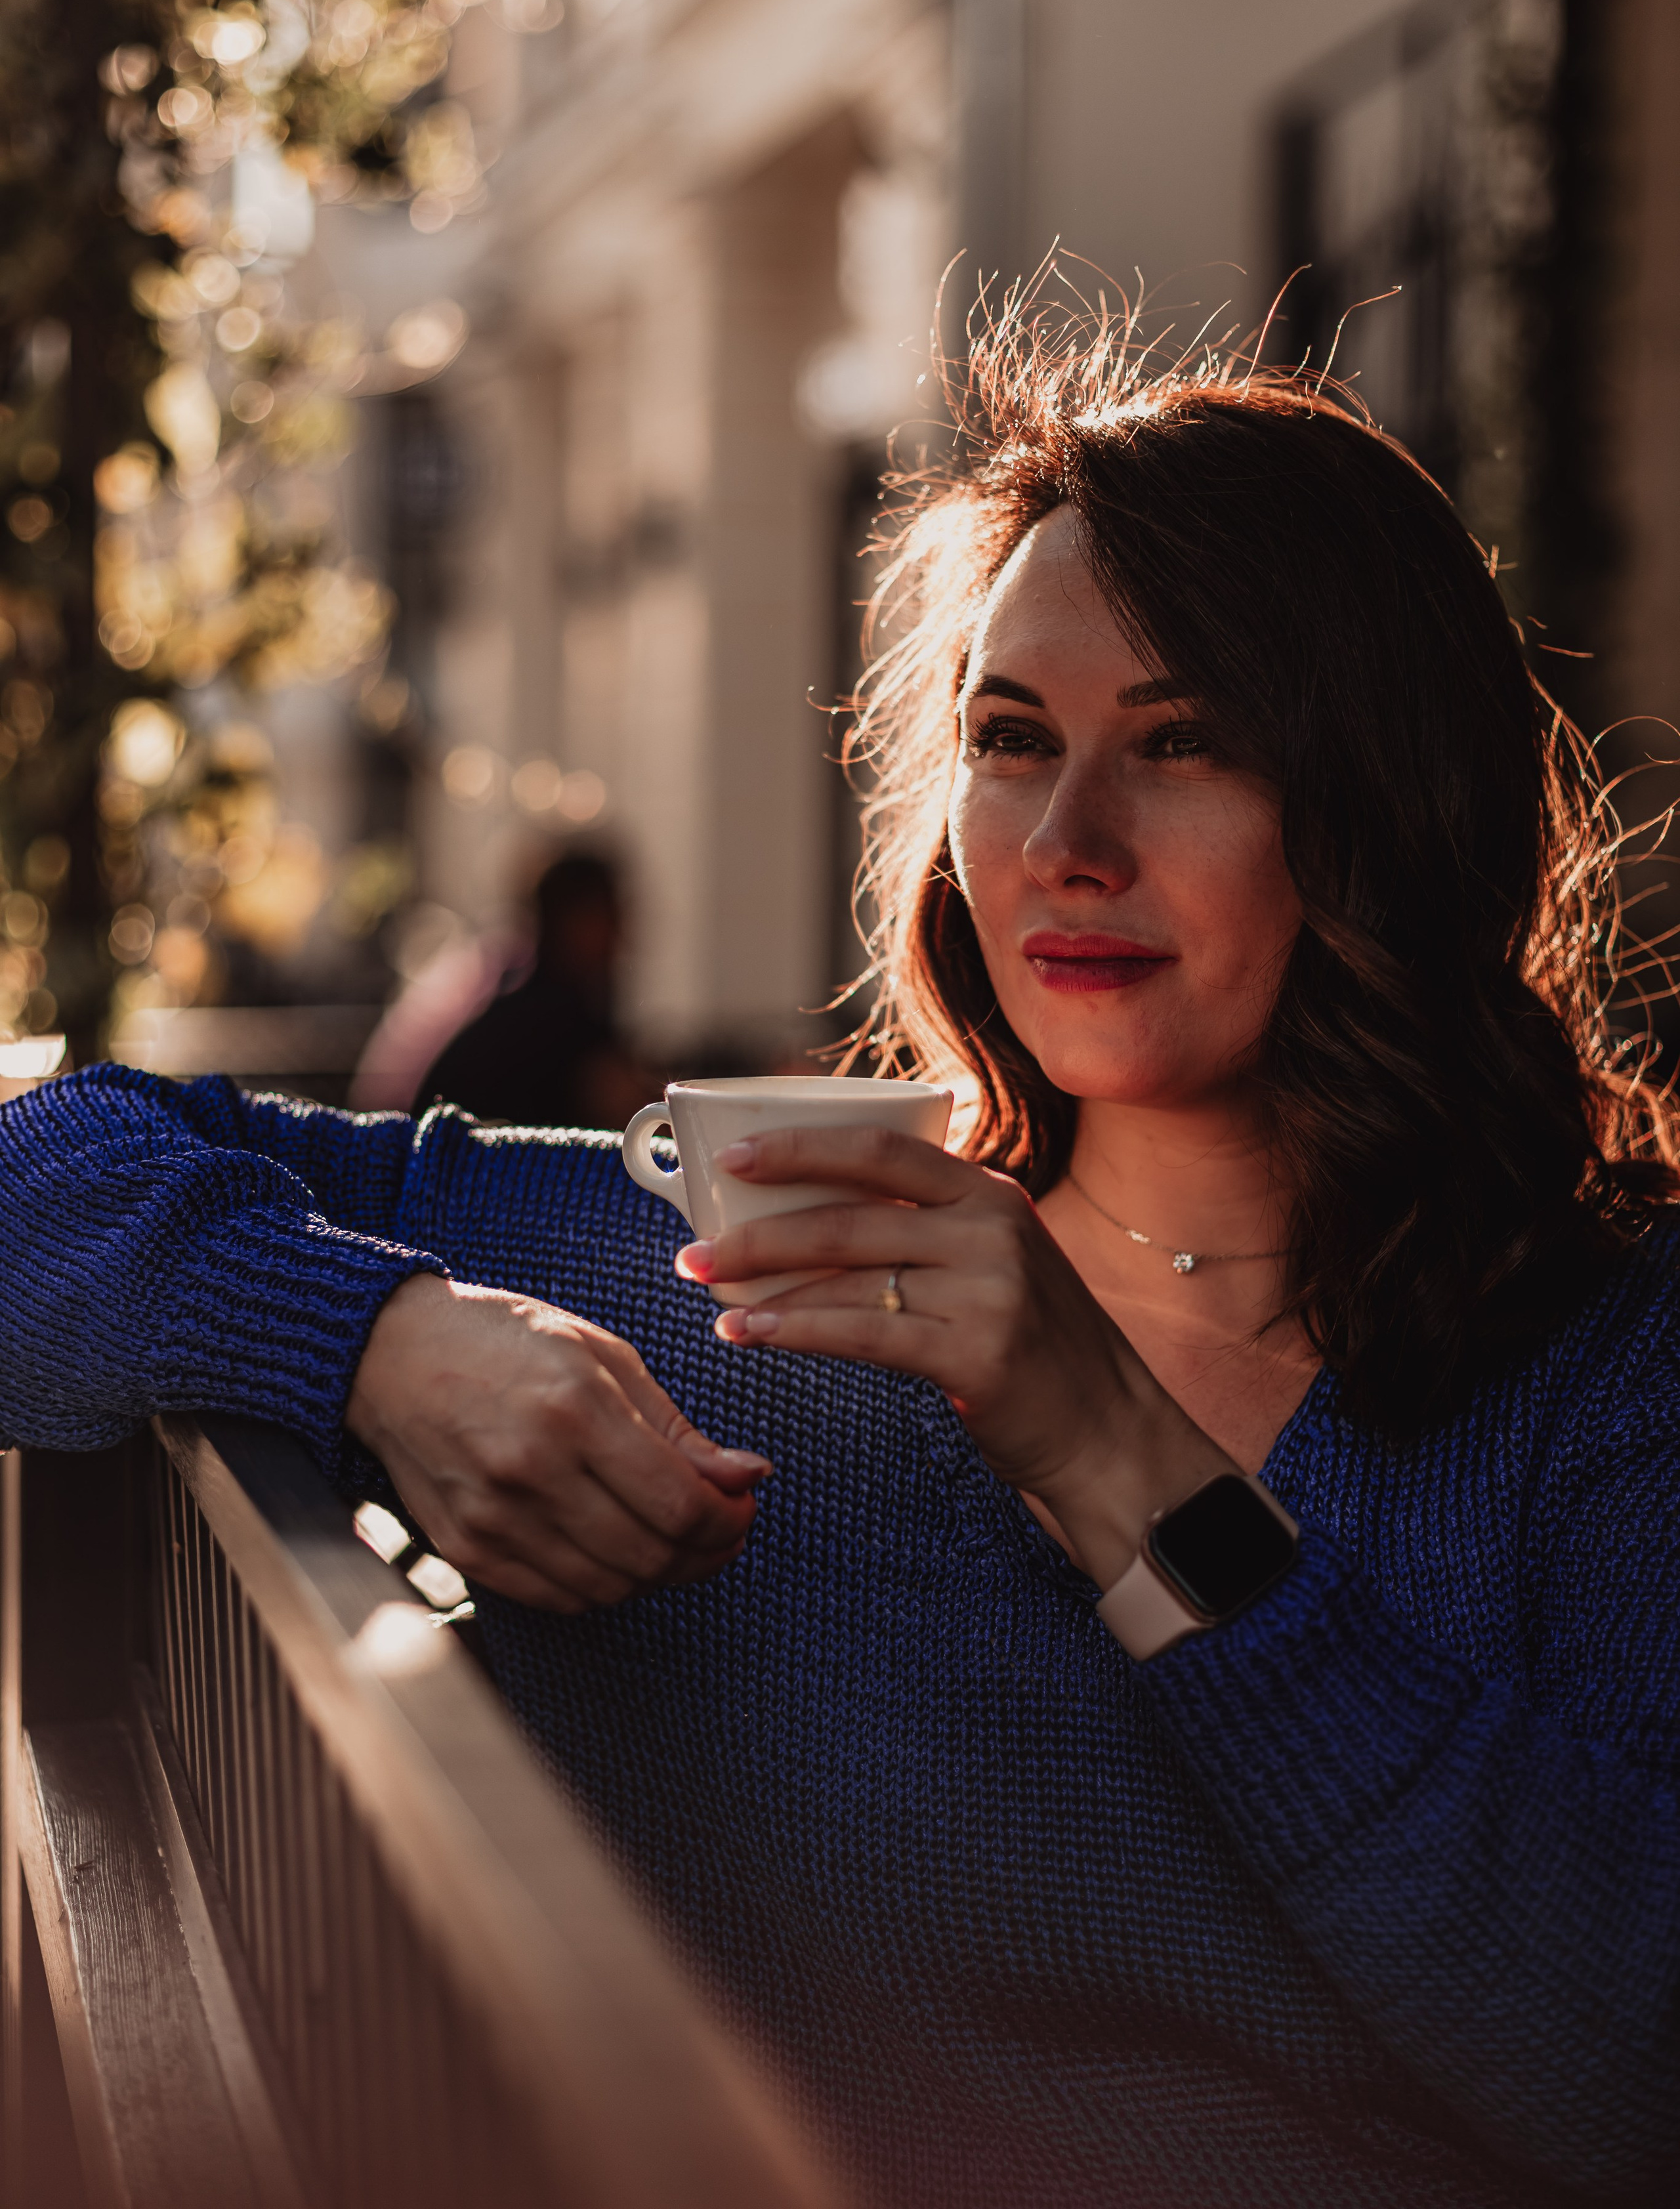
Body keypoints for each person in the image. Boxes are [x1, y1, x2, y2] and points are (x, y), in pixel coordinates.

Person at [2, 324, 1677, 2209]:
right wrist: (377, 1335)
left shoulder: (1602, 1364)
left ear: (1384, 796)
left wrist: (1120, 1465)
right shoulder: (729, 1260)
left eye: (1186, 742)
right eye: (1010, 742)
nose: (1066, 845)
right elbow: (31, 1165)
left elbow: (1629, 2071)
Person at [412, 849, 650, 1129]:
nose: (621, 935)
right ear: (573, 921)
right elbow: (627, 1111)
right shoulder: (557, 1017)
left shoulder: (523, 1001)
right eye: (611, 915)